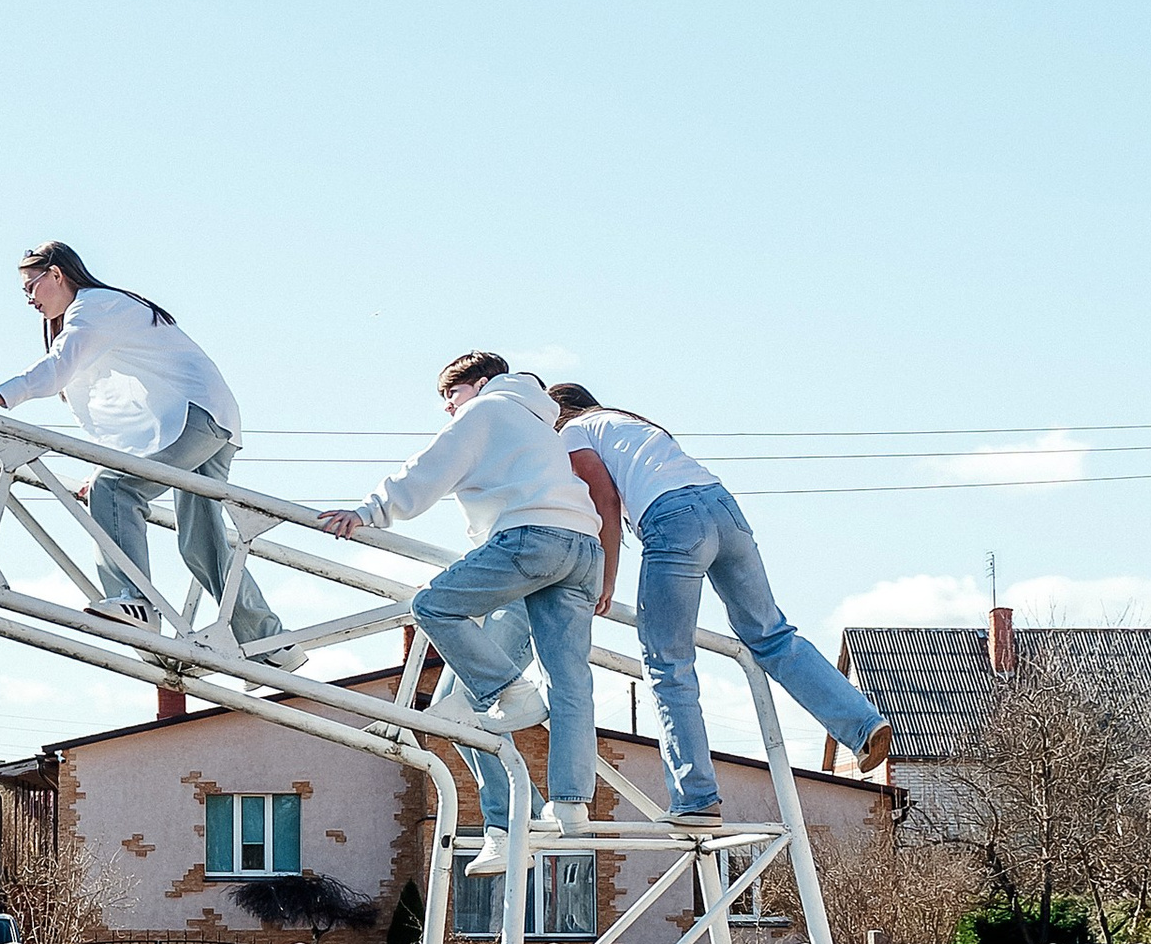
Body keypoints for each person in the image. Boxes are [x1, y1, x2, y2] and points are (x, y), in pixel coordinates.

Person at [548, 381, 894, 820]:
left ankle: (696, 798)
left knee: (667, 662)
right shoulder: (630, 424)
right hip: (724, 509)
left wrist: (606, 578)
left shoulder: (572, 431)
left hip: (672, 520)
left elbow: (605, 499)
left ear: (562, 411)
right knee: (772, 635)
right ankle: (861, 724)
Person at [319, 352, 601, 871]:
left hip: (530, 544)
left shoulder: (490, 408)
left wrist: (369, 512)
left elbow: (431, 466)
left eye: (451, 395)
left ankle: (509, 703)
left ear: (482, 383)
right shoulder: (540, 427)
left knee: (432, 605)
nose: (449, 409)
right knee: (565, 678)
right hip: (582, 550)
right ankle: (569, 805)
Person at [0, 242, 289, 658]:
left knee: (116, 490)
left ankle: (133, 599)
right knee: (200, 541)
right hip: (211, 418)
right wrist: (101, 468)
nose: (30, 299)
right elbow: (112, 406)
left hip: (194, 417)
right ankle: (270, 641)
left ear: (57, 275)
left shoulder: (95, 306)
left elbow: (58, 368)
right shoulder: (101, 313)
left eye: (31, 286)